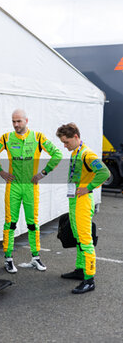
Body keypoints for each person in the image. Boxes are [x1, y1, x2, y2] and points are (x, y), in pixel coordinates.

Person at [0, 109, 62, 273]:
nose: (15, 124)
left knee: (33, 223)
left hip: (30, 187)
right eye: (13, 121)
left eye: (19, 121)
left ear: (26, 121)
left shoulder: (38, 137)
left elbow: (57, 154)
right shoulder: (7, 138)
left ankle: (35, 258)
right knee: (10, 223)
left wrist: (43, 173)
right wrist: (1, 171)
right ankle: (8, 258)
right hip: (13, 186)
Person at [56, 123, 110, 294]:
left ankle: (89, 279)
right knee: (78, 237)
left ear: (76, 137)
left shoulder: (87, 154)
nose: (65, 146)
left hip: (83, 201)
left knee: (86, 241)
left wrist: (89, 187)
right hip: (75, 200)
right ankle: (80, 270)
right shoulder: (76, 152)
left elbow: (104, 173)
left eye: (66, 142)